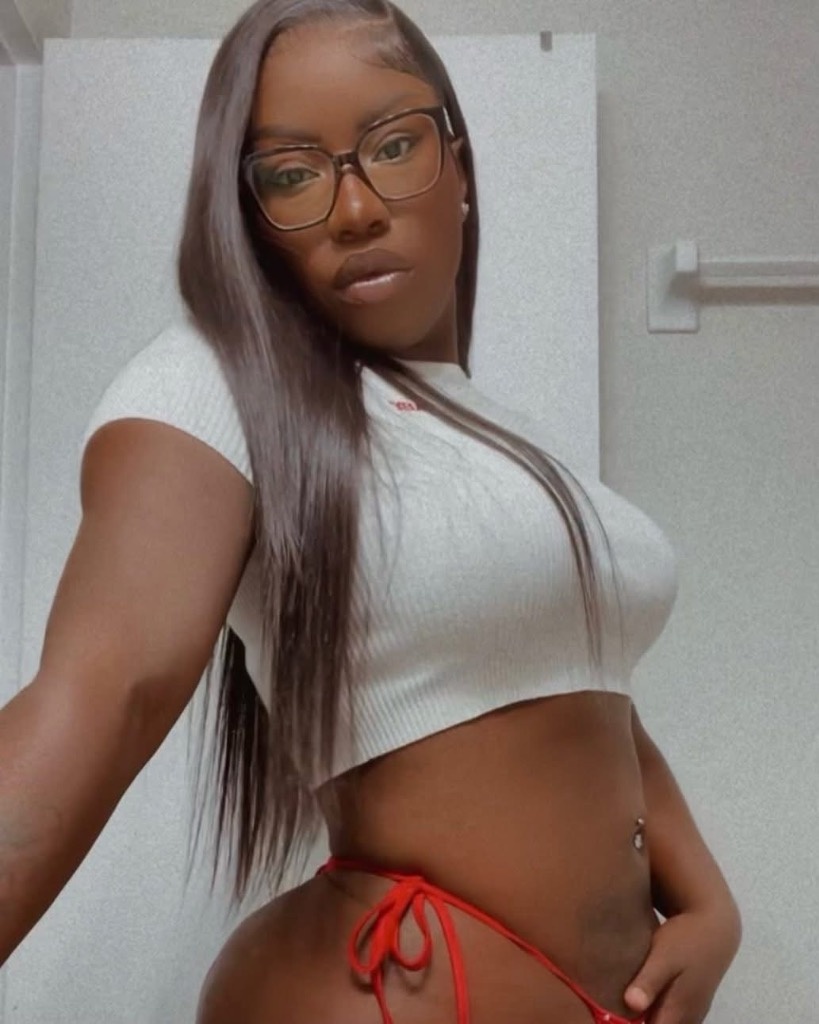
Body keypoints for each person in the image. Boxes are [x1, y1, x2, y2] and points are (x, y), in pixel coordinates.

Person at [0, 0, 742, 1021]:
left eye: (392, 146)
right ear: (248, 214)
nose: (352, 209)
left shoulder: (504, 436)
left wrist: (708, 905)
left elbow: (587, 691)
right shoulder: (219, 381)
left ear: (459, 168)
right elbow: (104, 691)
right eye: (291, 173)